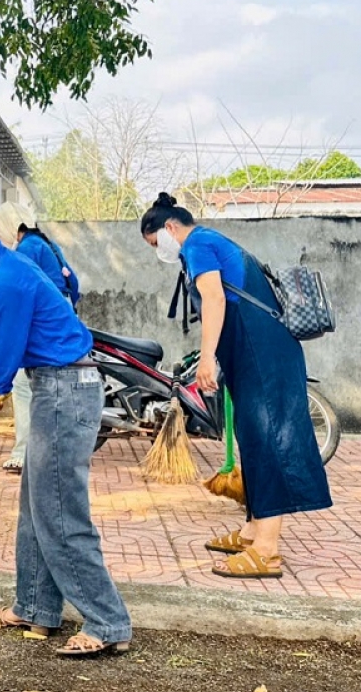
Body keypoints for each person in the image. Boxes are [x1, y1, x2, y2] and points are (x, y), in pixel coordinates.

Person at [0, 175, 130, 657]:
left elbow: (8, 354)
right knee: (35, 508)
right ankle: (35, 606)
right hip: (54, 388)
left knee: (60, 513)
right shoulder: (1, 270)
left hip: (65, 391)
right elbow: (7, 344)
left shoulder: (10, 277)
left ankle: (108, 622)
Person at [139, 192, 331, 580]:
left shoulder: (198, 244)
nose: (160, 251)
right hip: (256, 352)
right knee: (253, 438)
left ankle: (267, 550)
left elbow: (213, 299)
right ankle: (251, 532)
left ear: (170, 228)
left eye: (156, 242)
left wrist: (206, 358)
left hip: (263, 352)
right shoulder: (208, 242)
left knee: (268, 441)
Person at [0, 200, 81, 475]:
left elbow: (20, 289)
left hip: (42, 321)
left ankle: (24, 453)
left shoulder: (27, 248)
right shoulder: (49, 245)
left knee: (22, 384)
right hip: (62, 317)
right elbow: (73, 283)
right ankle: (49, 452)